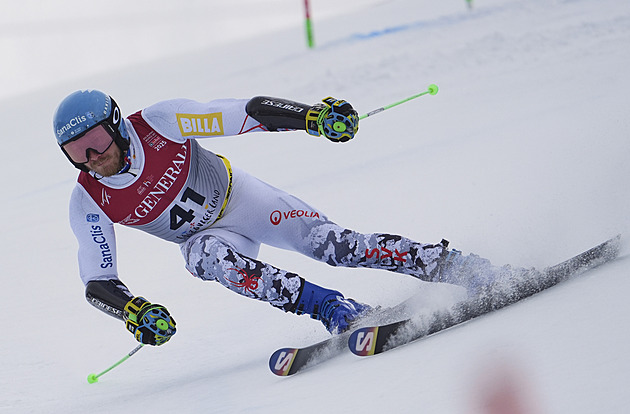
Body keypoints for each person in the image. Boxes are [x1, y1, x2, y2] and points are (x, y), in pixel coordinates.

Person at [53, 90, 530, 347]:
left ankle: (463, 269)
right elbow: (97, 280)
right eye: (75, 153)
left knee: (340, 247)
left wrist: (311, 118)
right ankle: (335, 310)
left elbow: (245, 113)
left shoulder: (158, 122)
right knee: (213, 260)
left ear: (115, 124)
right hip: (204, 240)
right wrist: (132, 311)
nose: (91, 158)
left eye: (94, 142)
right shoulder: (88, 199)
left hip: (242, 199)